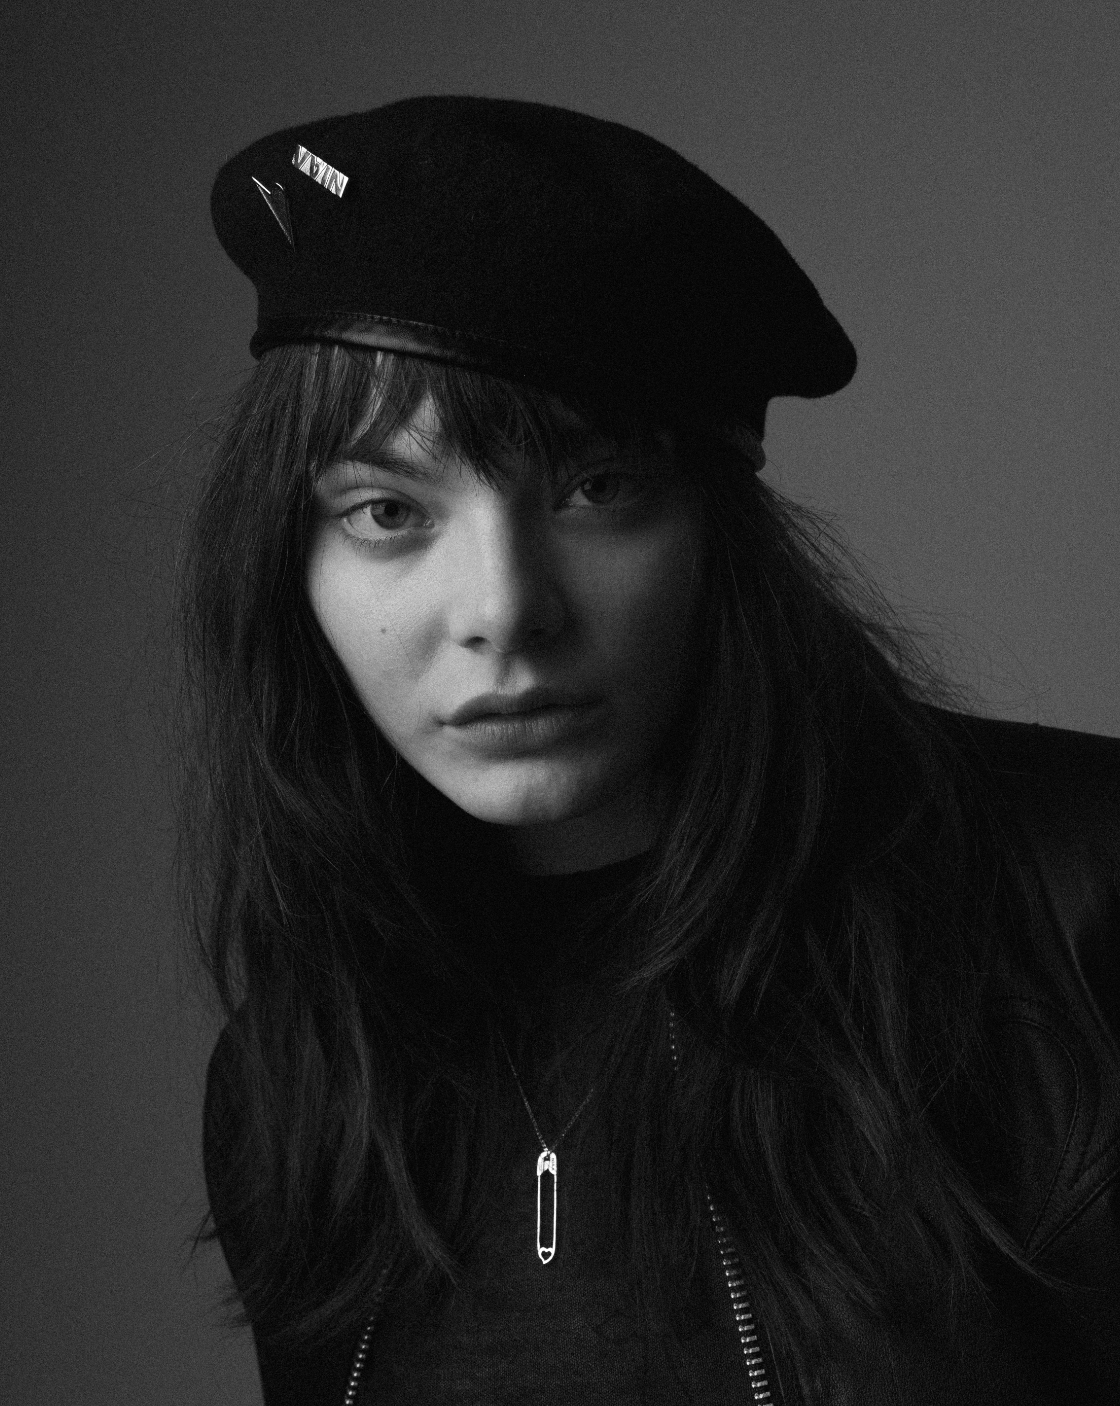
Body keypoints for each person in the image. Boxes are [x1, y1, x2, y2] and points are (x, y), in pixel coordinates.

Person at [183, 97, 1120, 1405]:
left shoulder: (1073, 906)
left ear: (715, 533)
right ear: (293, 567)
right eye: (389, 509)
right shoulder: (298, 1073)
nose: (505, 609)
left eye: (595, 489)